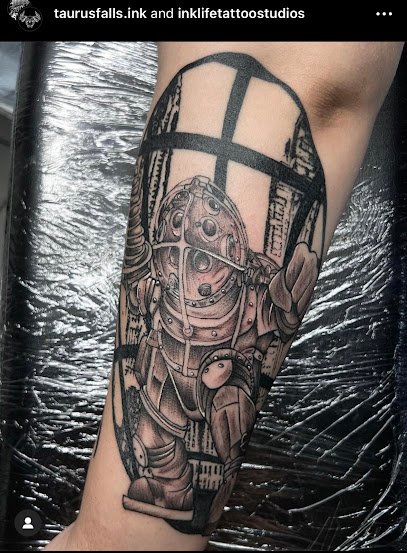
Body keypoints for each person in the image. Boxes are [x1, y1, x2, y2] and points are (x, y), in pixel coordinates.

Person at [44, 41, 403, 551]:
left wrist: (116, 540)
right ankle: (169, 484)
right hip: (166, 366)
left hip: (222, 367)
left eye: (204, 251)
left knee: (228, 399)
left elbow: (294, 64)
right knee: (153, 430)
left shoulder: (247, 294)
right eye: (179, 248)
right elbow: (148, 293)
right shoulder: (163, 286)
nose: (190, 259)